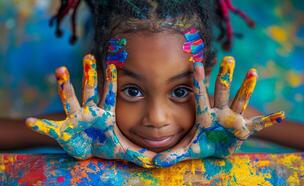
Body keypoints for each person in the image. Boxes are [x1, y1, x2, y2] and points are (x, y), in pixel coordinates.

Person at [0, 0, 303, 167]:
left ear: (206, 79)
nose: (157, 119)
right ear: (102, 77)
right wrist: (76, 140)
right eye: (131, 91)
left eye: (180, 91)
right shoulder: (80, 127)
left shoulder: (232, 122)